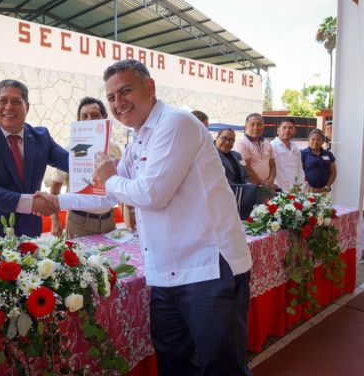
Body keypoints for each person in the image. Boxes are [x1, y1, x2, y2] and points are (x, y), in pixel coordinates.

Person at [37, 59, 253, 375]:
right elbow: (110, 193)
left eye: (126, 91)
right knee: (173, 362)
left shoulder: (175, 123)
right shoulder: (138, 137)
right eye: (111, 97)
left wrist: (110, 177)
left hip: (209, 267)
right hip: (167, 272)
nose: (118, 103)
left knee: (221, 367)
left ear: (149, 87)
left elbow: (151, 193)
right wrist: (57, 201)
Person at [0, 79, 69, 251]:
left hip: (27, 234)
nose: (9, 107)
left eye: (16, 101)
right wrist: (31, 203)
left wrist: (100, 160)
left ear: (27, 107)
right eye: (3, 101)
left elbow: (72, 163)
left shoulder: (41, 138)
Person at [49, 97, 122, 238]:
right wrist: (55, 220)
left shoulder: (114, 149)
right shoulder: (70, 151)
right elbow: (56, 185)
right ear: (79, 122)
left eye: (95, 115)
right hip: (79, 222)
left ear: (104, 118)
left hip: (108, 220)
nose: (89, 120)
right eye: (84, 116)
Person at [234, 113, 276, 193]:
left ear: (263, 126)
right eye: (252, 124)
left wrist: (270, 181)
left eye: (259, 124)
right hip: (252, 188)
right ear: (246, 126)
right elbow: (246, 168)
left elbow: (273, 165)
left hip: (268, 186)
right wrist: (262, 183)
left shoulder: (267, 143)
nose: (256, 127)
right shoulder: (242, 143)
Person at [271, 118, 305, 191]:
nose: (287, 130)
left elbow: (299, 169)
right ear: (278, 130)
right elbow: (271, 168)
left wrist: (301, 186)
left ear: (294, 131)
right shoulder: (272, 146)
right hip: (278, 189)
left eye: (290, 128)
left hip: (295, 190)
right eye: (284, 127)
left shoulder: (295, 148)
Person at [300, 129, 337, 193]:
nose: (315, 142)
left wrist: (327, 187)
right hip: (307, 191)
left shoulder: (328, 154)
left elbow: (333, 173)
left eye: (319, 140)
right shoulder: (302, 153)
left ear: (323, 142)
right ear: (308, 140)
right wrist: (308, 187)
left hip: (324, 191)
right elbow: (299, 172)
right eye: (313, 139)